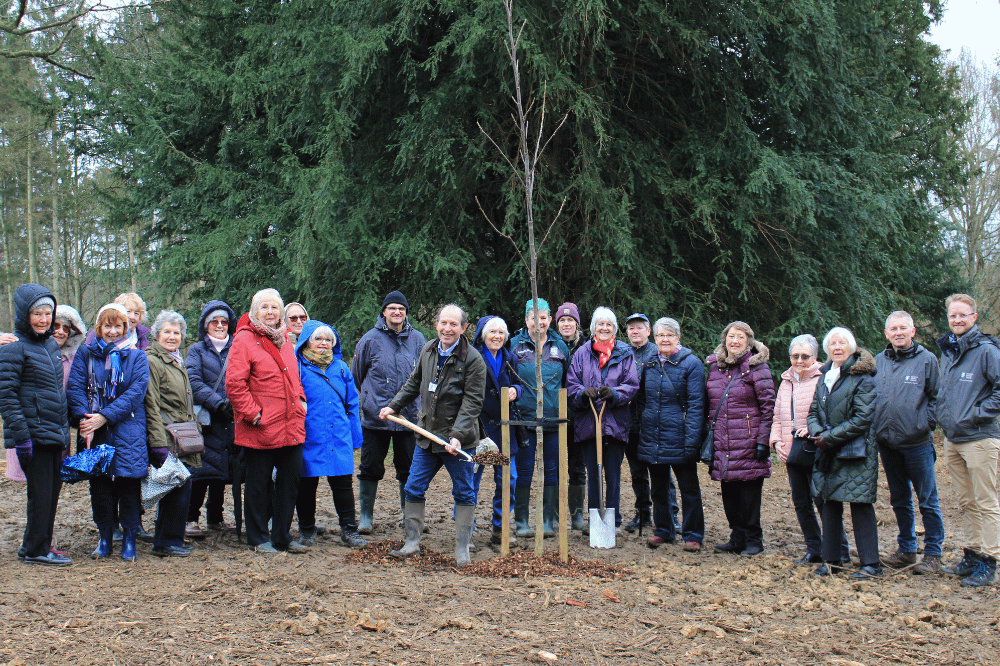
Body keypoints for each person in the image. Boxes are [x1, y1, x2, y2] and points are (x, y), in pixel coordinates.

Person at [378, 304, 486, 566]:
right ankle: (412, 542)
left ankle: (462, 547)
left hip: (458, 441)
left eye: (453, 324)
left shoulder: (472, 360)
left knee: (464, 492)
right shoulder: (428, 349)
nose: (447, 329)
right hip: (427, 437)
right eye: (443, 323)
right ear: (436, 324)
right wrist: (394, 405)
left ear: (463, 328)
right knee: (413, 488)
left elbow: (472, 402)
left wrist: (457, 435)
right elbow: (414, 383)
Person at [226, 288, 309, 554]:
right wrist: (253, 414)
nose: (270, 312)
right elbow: (235, 384)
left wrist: (301, 400)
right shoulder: (245, 340)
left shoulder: (286, 339)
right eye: (264, 307)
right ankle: (259, 537)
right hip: (261, 425)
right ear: (254, 311)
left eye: (275, 307)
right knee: (259, 483)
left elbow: (294, 378)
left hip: (290, 422)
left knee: (289, 481)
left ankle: (282, 536)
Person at [67, 303, 149, 561]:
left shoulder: (137, 356)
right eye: (107, 326)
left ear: (125, 328)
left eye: (117, 326)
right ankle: (104, 537)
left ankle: (129, 538)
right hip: (93, 431)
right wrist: (85, 420)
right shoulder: (85, 354)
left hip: (128, 430)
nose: (112, 331)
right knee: (100, 487)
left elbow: (135, 393)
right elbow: (76, 389)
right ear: (99, 328)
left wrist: (105, 416)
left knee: (128, 486)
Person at [0, 284, 72, 565]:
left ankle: (35, 544)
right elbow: (6, 396)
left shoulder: (51, 345)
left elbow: (56, 391)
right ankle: (36, 551)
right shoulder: (12, 348)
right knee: (41, 496)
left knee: (51, 494)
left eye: (47, 313)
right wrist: (22, 437)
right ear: (23, 314)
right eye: (36, 314)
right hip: (33, 433)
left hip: (54, 432)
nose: (43, 319)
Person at [936, 293, 1000, 587]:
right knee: (967, 501)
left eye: (963, 315)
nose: (957, 320)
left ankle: (990, 560)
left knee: (986, 501)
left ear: (974, 317)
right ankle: (972, 555)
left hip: (980, 438)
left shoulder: (987, 351)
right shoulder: (948, 352)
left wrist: (975, 414)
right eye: (953, 316)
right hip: (953, 439)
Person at [808, 327, 881, 579]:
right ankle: (832, 561)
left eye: (842, 343)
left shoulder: (863, 377)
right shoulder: (825, 375)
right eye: (833, 344)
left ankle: (871, 564)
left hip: (856, 451)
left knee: (860, 505)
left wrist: (829, 437)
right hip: (828, 450)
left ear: (851, 347)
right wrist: (818, 432)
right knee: (830, 503)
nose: (837, 347)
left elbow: (863, 419)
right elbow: (813, 412)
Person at [770, 334, 850, 565]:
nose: (800, 360)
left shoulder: (824, 378)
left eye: (805, 356)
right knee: (801, 502)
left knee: (823, 500)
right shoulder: (786, 381)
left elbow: (832, 414)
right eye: (795, 356)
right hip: (791, 449)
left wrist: (812, 430)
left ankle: (839, 549)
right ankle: (814, 548)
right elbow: (777, 416)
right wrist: (776, 442)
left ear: (815, 357)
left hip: (816, 447)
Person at [875, 311, 944, 575]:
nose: (898, 332)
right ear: (887, 334)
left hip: (917, 443)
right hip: (887, 444)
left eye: (903, 328)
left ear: (913, 331)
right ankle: (906, 549)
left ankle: (934, 553)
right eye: (893, 329)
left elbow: (937, 397)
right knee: (899, 499)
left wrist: (925, 424)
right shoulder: (879, 361)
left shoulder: (927, 360)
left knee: (927, 499)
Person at [352, 291, 426, 534]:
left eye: (401, 308)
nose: (397, 312)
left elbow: (424, 377)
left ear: (406, 312)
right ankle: (365, 517)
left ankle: (408, 515)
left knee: (408, 468)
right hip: (376, 420)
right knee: (370, 467)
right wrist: (370, 403)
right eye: (392, 308)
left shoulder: (417, 340)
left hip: (408, 419)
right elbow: (357, 376)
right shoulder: (370, 340)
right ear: (383, 311)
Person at [294, 320, 367, 548]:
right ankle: (306, 530)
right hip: (309, 435)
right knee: (306, 486)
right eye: (318, 339)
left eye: (328, 339)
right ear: (307, 341)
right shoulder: (298, 367)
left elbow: (352, 404)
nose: (323, 343)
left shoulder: (341, 367)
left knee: (343, 484)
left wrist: (356, 436)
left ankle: (349, 530)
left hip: (339, 435)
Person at [566, 307, 640, 530]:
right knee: (593, 472)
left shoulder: (625, 353)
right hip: (589, 422)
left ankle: (613, 519)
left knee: (613, 474)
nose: (605, 328)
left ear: (614, 329)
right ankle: (595, 519)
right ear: (594, 328)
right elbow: (571, 382)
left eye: (609, 324)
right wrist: (581, 392)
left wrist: (616, 394)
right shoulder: (582, 353)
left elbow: (632, 384)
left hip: (615, 422)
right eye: (601, 324)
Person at [705, 321, 774, 556]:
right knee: (729, 493)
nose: (735, 341)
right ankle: (737, 536)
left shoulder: (757, 368)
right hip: (723, 442)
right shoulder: (716, 368)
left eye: (740, 337)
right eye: (731, 336)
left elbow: (768, 407)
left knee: (749, 496)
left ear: (749, 342)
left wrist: (763, 441)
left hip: (749, 441)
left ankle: (754, 540)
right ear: (724, 339)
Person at [637, 317, 705, 551]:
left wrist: (692, 440)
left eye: (669, 335)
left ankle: (693, 534)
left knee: (689, 488)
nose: (664, 339)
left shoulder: (692, 364)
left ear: (678, 337)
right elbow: (644, 398)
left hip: (680, 435)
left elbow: (697, 405)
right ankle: (663, 530)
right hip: (653, 434)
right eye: (660, 335)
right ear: (654, 339)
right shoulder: (650, 364)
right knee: (658, 487)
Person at [509, 299, 571, 537]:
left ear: (549, 320)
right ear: (527, 320)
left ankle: (547, 520)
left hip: (553, 420)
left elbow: (566, 381)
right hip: (524, 420)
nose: (539, 322)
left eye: (544, 317)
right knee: (524, 470)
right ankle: (522, 521)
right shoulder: (516, 345)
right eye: (534, 317)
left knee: (552, 470)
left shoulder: (559, 347)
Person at [145, 310, 202, 557]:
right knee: (173, 486)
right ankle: (166, 542)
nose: (172, 336)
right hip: (167, 436)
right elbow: (151, 404)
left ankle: (172, 538)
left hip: (183, 435)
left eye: (176, 333)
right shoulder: (152, 361)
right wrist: (158, 443)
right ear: (157, 334)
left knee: (181, 486)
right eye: (167, 332)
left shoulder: (177, 360)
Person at [185, 300, 238, 536]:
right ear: (206, 325)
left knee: (223, 469)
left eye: (223, 321)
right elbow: (193, 381)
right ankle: (190, 518)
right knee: (201, 471)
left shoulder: (237, 348)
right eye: (214, 322)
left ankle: (215, 517)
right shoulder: (197, 350)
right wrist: (217, 402)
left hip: (232, 418)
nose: (219, 325)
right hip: (207, 419)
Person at [472, 315, 523, 545]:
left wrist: (515, 390)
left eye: (501, 333)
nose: (497, 337)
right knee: (471, 481)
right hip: (479, 429)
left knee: (507, 480)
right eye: (493, 332)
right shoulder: (473, 357)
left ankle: (500, 528)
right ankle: (467, 531)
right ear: (483, 335)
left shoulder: (510, 358)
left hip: (505, 429)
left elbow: (519, 384)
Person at [554, 301, 589, 530]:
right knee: (555, 465)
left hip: (580, 414)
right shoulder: (551, 346)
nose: (566, 324)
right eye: (562, 320)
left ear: (577, 323)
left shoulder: (586, 347)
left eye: (570, 320)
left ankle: (577, 514)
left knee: (577, 465)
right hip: (555, 414)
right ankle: (555, 514)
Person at [622, 313, 657, 534]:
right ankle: (642, 513)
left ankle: (669, 515)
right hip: (628, 422)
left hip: (652, 421)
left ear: (648, 331)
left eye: (640, 328)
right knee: (637, 472)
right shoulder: (623, 353)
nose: (635, 332)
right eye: (631, 328)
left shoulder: (656, 352)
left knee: (659, 471)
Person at [85, 292, 152, 351]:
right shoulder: (97, 333)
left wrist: (136, 355)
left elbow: (145, 361)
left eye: (136, 313)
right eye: (128, 311)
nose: (132, 317)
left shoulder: (142, 336)